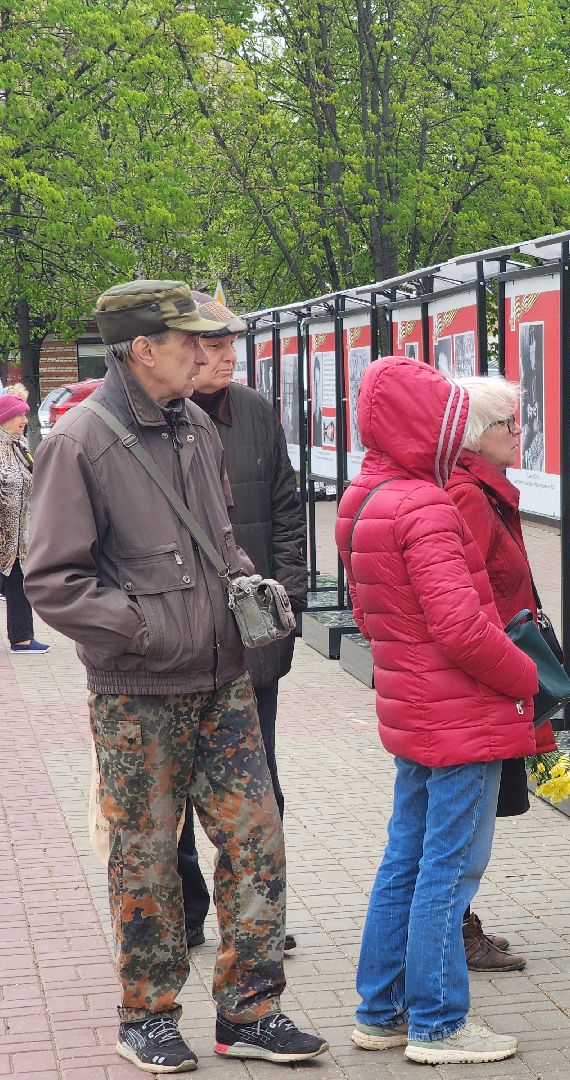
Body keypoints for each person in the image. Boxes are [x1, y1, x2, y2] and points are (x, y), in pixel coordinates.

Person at [26, 280, 326, 1071]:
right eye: (189, 340)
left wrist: (247, 595)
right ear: (140, 349)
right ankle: (147, 1015)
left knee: (257, 839)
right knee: (148, 858)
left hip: (225, 679)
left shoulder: (193, 423)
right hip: (140, 692)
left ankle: (250, 1012)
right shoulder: (81, 441)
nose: (207, 352)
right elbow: (52, 578)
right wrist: (147, 631)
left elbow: (218, 539)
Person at [340, 356, 538, 1065]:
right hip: (460, 714)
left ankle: (380, 1009)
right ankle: (438, 1023)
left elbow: (371, 614)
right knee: (447, 870)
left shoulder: (364, 496)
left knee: (406, 857)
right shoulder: (425, 504)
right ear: (429, 423)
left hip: (414, 708)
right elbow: (460, 627)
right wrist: (526, 677)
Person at [175, 291, 307, 953]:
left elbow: (287, 510)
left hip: (253, 644)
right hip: (177, 648)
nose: (227, 357)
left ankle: (262, 917)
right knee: (171, 794)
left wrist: (288, 607)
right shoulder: (152, 423)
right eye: (214, 346)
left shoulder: (255, 412)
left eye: (233, 346)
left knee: (259, 785)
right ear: (182, 351)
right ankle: (186, 914)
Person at [445, 376, 560, 974]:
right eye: (509, 424)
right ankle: (453, 929)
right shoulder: (468, 496)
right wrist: (514, 664)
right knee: (468, 819)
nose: (520, 433)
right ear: (473, 433)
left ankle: (458, 922)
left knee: (478, 812)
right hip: (486, 678)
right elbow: (468, 596)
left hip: (494, 671)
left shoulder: (486, 490)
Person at [0, 394, 45, 654]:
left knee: (19, 583)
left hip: (17, 536)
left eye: (25, 415)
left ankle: (22, 639)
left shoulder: (19, 446)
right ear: (5, 418)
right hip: (4, 534)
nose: (24, 421)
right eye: (19, 415)